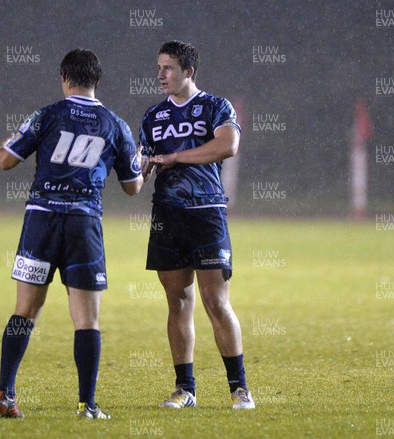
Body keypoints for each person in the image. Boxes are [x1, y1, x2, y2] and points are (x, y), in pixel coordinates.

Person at [0, 48, 143, 420]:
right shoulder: (115, 124)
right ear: (96, 80)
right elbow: (133, 187)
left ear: (64, 77)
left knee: (25, 310)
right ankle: (86, 405)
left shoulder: (48, 115)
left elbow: (6, 160)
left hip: (41, 221)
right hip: (83, 224)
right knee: (86, 318)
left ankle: (5, 394)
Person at [139, 40, 255, 410]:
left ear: (189, 72)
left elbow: (228, 146)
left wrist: (176, 156)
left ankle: (239, 389)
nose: (161, 74)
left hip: (206, 213)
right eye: (159, 67)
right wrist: (133, 167)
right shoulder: (152, 117)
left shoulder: (215, 106)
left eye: (168, 67)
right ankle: (185, 389)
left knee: (216, 302)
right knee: (178, 302)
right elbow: (139, 176)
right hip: (167, 216)